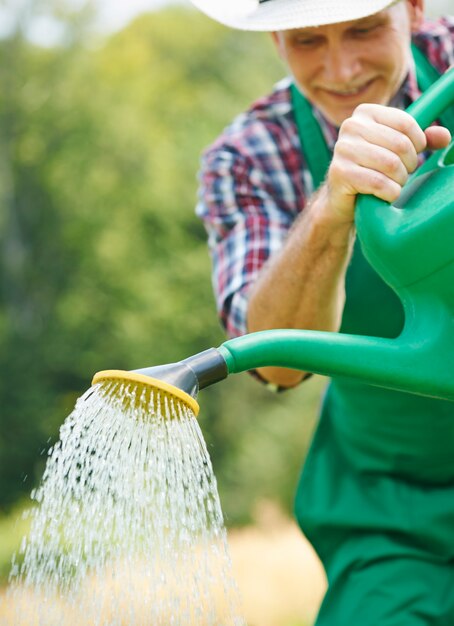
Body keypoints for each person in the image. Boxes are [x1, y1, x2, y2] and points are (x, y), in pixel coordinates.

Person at [191, 0, 454, 623]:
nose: (341, 68)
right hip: (390, 506)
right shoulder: (248, 156)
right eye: (309, 41)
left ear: (414, 9)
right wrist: (330, 211)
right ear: (277, 38)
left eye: (364, 29)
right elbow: (279, 365)